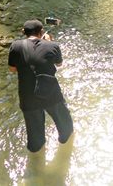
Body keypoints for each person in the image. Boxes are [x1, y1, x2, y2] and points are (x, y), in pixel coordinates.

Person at [9, 19, 73, 152]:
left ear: (23, 32)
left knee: (35, 136)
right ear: (42, 32)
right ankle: (65, 145)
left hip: (27, 96)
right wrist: (48, 43)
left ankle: (37, 155)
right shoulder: (52, 45)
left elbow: (13, 69)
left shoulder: (15, 46)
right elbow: (59, 64)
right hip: (50, 93)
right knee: (65, 125)